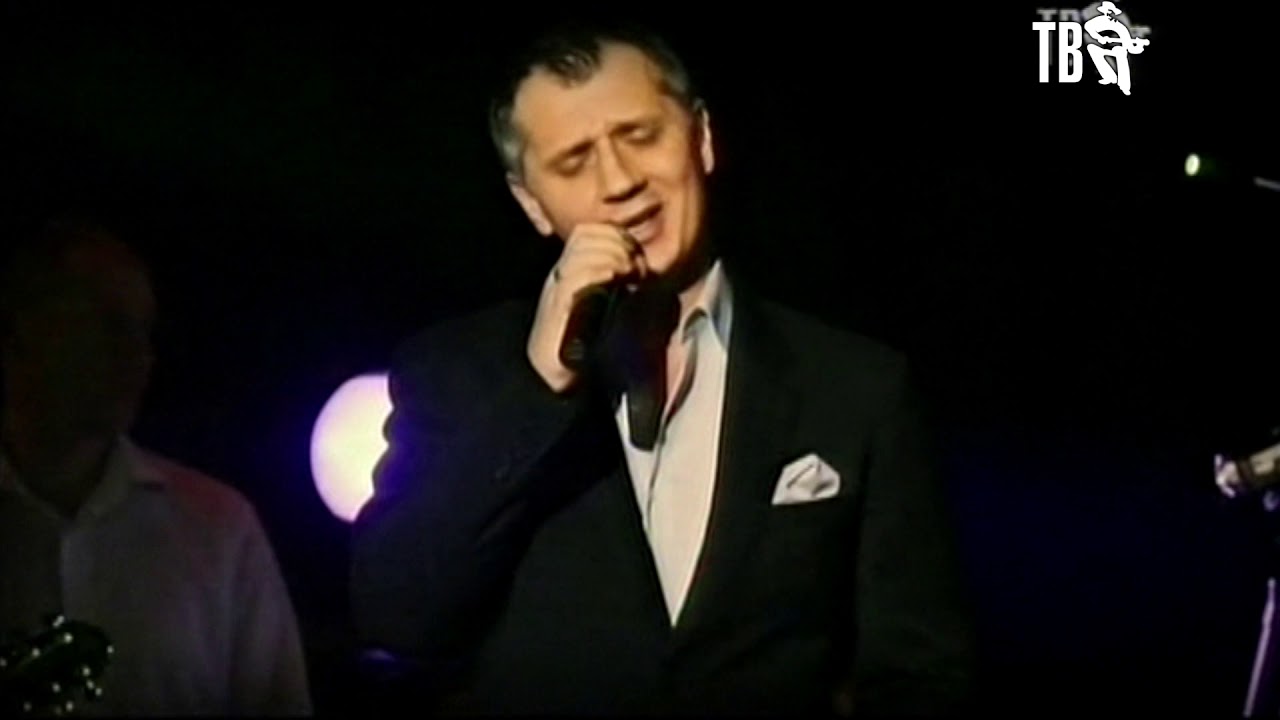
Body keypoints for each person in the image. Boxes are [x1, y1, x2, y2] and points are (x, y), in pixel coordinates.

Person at [350, 21, 976, 715]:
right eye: (574, 162)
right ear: (531, 203)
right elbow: (398, 615)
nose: (620, 181)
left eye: (640, 137)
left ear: (701, 137)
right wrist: (540, 389)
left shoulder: (854, 386)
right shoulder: (456, 370)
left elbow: (921, 670)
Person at [0, 220, 313, 716]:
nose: (139, 355)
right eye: (107, 325)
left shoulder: (220, 529)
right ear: (20, 333)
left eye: (143, 331)